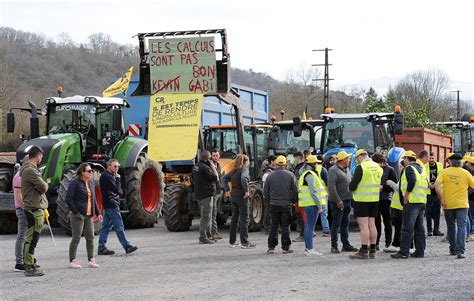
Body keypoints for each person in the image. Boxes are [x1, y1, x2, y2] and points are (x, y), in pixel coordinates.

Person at [434, 153, 474, 259]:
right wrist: (467, 192)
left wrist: (441, 198)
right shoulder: (466, 173)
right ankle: (460, 251)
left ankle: (452, 249)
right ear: (460, 162)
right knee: (462, 227)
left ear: (450, 162)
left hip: (448, 204)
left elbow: (436, 185)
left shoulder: (444, 172)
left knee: (451, 227)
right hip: (462, 204)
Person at [391, 150, 428, 259]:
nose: (403, 161)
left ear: (407, 159)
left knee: (407, 228)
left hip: (411, 202)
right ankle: (420, 252)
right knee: (419, 228)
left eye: (404, 159)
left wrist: (406, 195)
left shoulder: (409, 168)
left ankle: (403, 252)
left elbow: (412, 181)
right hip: (421, 201)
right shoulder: (421, 169)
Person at [66, 163, 103, 269]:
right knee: (76, 238)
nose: (91, 173)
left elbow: (93, 199)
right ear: (82, 172)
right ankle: (72, 260)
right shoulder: (75, 183)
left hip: (89, 215)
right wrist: (76, 212)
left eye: (91, 171)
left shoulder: (91, 183)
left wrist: (98, 213)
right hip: (78, 215)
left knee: (90, 237)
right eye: (89, 171)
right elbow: (68, 199)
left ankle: (91, 259)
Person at [98, 159, 138, 254]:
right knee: (119, 226)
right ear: (109, 166)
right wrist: (118, 179)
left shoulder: (107, 176)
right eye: (115, 166)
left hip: (109, 204)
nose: (117, 168)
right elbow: (118, 190)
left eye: (118, 166)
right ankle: (126, 246)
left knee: (106, 227)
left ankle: (101, 247)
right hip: (112, 204)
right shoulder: (107, 177)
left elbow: (117, 191)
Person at [349, 149, 383, 259]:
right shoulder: (378, 167)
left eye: (357, 158)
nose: (357, 161)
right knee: (372, 224)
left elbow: (353, 185)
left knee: (363, 226)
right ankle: (373, 249)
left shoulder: (361, 167)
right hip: (374, 199)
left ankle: (364, 250)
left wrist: (349, 187)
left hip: (362, 200)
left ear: (361, 156)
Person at [21, 146, 48, 276]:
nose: (41, 159)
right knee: (32, 239)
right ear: (38, 156)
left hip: (33, 207)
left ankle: (29, 261)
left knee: (32, 238)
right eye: (41, 156)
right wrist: (45, 183)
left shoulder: (28, 169)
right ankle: (29, 266)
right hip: (33, 208)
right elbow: (43, 187)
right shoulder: (31, 171)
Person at [265, 155, 298, 254]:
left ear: (275, 164)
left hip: (273, 205)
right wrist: (293, 201)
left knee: (274, 226)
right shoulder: (291, 175)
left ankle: (271, 247)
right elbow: (295, 191)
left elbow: (265, 192)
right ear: (285, 164)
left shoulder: (269, 176)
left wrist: (270, 201)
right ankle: (285, 247)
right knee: (285, 227)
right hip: (286, 205)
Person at [222, 154, 255, 249]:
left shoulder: (233, 171)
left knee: (234, 220)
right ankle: (245, 242)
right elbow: (243, 179)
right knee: (244, 219)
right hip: (242, 197)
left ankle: (232, 242)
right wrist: (246, 191)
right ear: (245, 161)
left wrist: (227, 190)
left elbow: (223, 178)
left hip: (234, 197)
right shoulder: (244, 170)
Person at [328, 151, 358, 253]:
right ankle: (334, 246)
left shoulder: (347, 169)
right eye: (348, 158)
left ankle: (346, 244)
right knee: (336, 224)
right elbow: (331, 188)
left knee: (345, 223)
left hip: (347, 201)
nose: (349, 160)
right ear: (343, 160)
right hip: (338, 202)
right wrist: (338, 200)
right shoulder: (333, 171)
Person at [298, 155, 327, 255]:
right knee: (310, 227)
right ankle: (309, 249)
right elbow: (313, 191)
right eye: (316, 163)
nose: (317, 164)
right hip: (312, 203)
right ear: (313, 164)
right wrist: (319, 205)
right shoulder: (310, 174)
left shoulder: (306, 173)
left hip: (309, 203)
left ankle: (309, 248)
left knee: (309, 226)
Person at [191, 151, 219, 244]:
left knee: (205, 215)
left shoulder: (196, 166)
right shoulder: (205, 168)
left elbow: (193, 179)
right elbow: (216, 177)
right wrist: (212, 166)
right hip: (206, 195)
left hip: (199, 194)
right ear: (207, 159)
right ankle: (203, 237)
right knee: (206, 216)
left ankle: (208, 235)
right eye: (210, 158)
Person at [372, 153, 398, 250]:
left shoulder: (390, 170)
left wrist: (383, 187)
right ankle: (376, 243)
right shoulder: (374, 169)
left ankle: (388, 243)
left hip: (386, 199)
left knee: (387, 221)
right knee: (376, 222)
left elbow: (394, 186)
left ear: (382, 162)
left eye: (376, 163)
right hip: (375, 198)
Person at [13, 155, 28, 272]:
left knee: (26, 236)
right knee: (22, 236)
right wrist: (27, 209)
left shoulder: (23, 175)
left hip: (25, 209)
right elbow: (19, 197)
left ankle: (25, 259)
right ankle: (19, 262)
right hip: (23, 210)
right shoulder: (19, 177)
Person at [425, 152, 444, 236]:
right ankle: (429, 230)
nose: (431, 160)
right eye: (430, 158)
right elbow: (424, 177)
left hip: (437, 191)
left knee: (437, 212)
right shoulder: (425, 166)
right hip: (428, 191)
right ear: (427, 158)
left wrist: (436, 185)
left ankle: (436, 230)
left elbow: (442, 176)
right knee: (428, 212)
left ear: (434, 158)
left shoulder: (439, 165)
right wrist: (429, 185)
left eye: (432, 158)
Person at [292, 151, 306, 242]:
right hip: (303, 196)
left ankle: (303, 235)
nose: (294, 161)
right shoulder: (302, 168)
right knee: (302, 215)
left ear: (299, 158)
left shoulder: (299, 169)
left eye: (295, 158)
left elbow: (296, 184)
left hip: (300, 196)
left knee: (301, 216)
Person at [210, 149, 223, 240]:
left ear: (219, 157)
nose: (215, 157)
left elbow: (220, 178)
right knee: (213, 212)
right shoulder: (209, 166)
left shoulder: (218, 165)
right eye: (213, 155)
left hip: (217, 191)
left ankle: (213, 231)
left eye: (216, 155)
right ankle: (214, 232)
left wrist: (222, 188)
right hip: (211, 192)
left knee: (214, 212)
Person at [315, 157, 330, 237]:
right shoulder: (323, 170)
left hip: (314, 194)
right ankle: (326, 230)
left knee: (315, 213)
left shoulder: (311, 170)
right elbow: (327, 182)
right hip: (323, 194)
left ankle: (311, 230)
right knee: (324, 213)